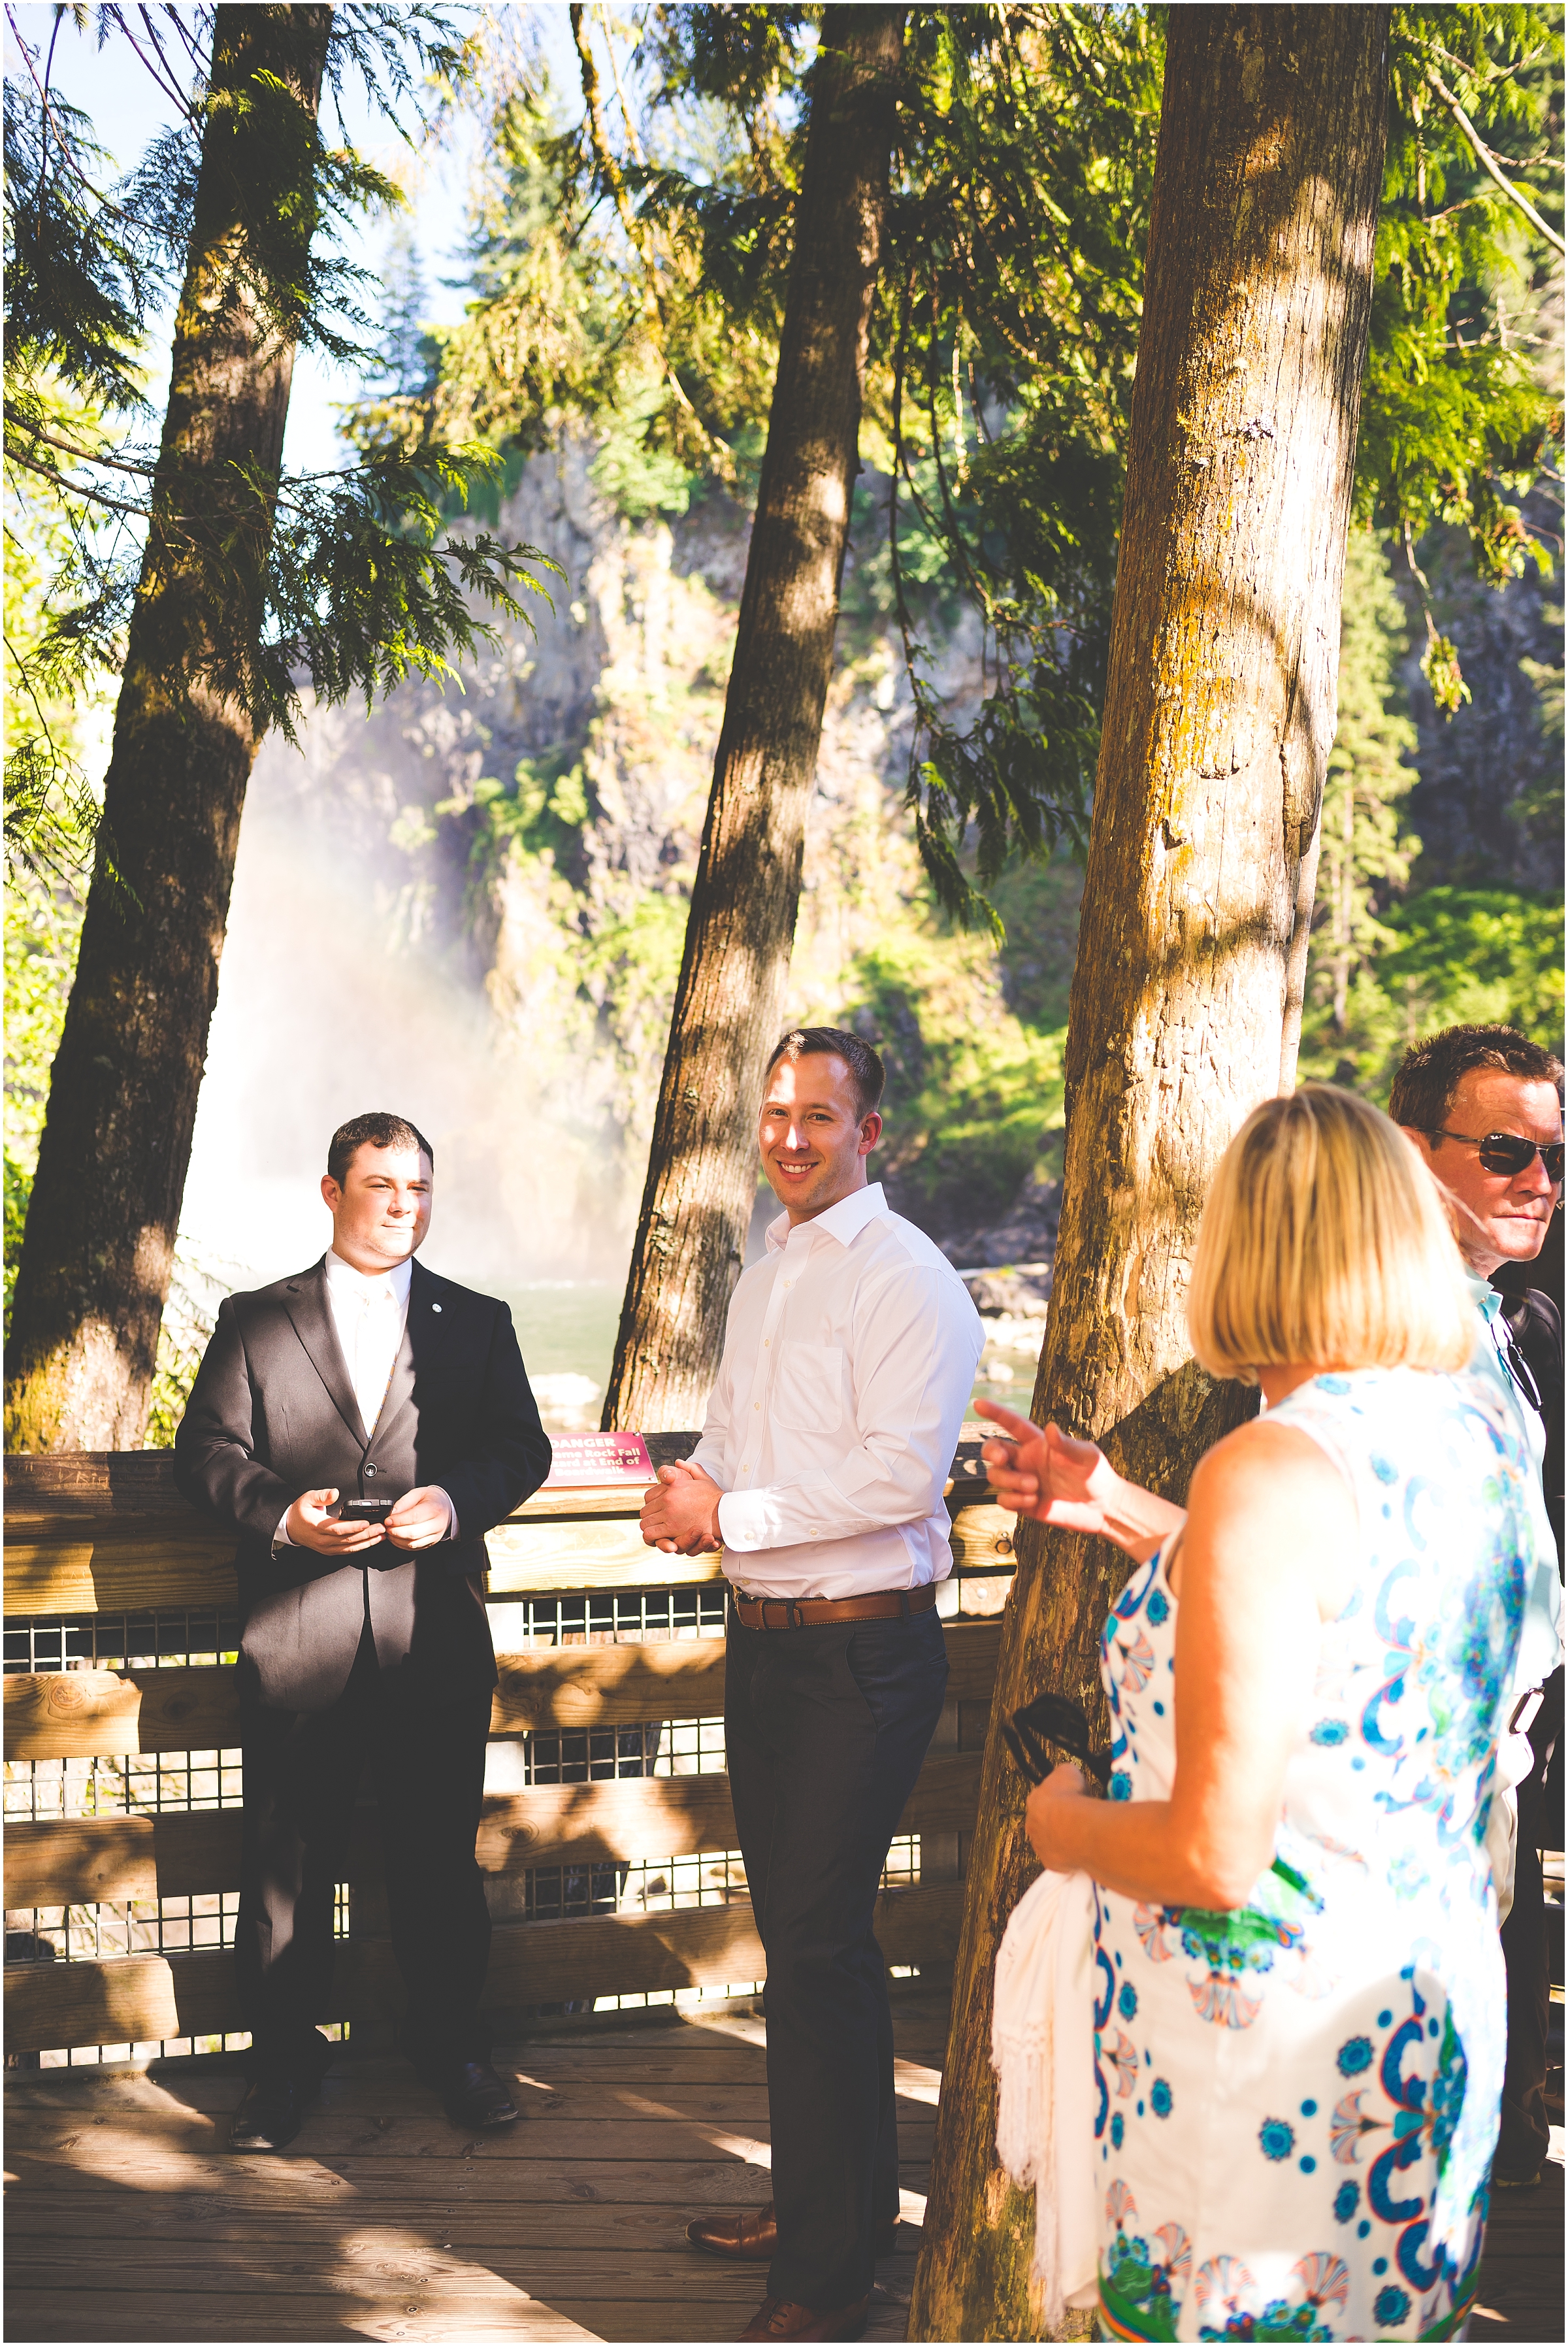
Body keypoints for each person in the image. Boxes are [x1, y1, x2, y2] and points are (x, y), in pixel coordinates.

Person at [981, 1087, 1554, 2344]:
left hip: (1264, 2066)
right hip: (1421, 2026)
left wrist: (1062, 1825)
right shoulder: (1478, 1432)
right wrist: (1117, 1504)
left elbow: (1213, 1852)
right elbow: (1346, 1629)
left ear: (1246, 1244)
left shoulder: (1267, 1466)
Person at [640, 1027, 983, 2344]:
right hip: (769, 1642)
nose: (791, 1134)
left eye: (820, 1116)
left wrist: (731, 1512)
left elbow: (900, 1480)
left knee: (825, 1939)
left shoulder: (911, 1281)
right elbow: (731, 1429)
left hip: (863, 1651)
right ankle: (815, 2199)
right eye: (776, 1111)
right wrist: (692, 1492)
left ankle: (835, 2272)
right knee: (798, 1943)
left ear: (869, 1132)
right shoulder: (771, 1266)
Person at [174, 1112, 550, 2151]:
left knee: (438, 1854)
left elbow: (523, 1447)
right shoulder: (255, 1318)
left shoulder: (479, 1319)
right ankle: (282, 2073)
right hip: (299, 1631)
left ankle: (455, 2054)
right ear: (332, 1190)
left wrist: (456, 1501)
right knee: (289, 1859)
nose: (403, 1204)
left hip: (433, 1636)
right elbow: (202, 1451)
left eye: (420, 1187)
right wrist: (281, 1514)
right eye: (382, 1184)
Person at [1391, 1023, 1565, 2190]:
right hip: (1425, 1785)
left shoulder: (1497, 1317)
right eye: (1505, 1150)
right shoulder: (1394, 1331)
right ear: (1416, 1153)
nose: (1540, 1183)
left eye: (1555, 1154)